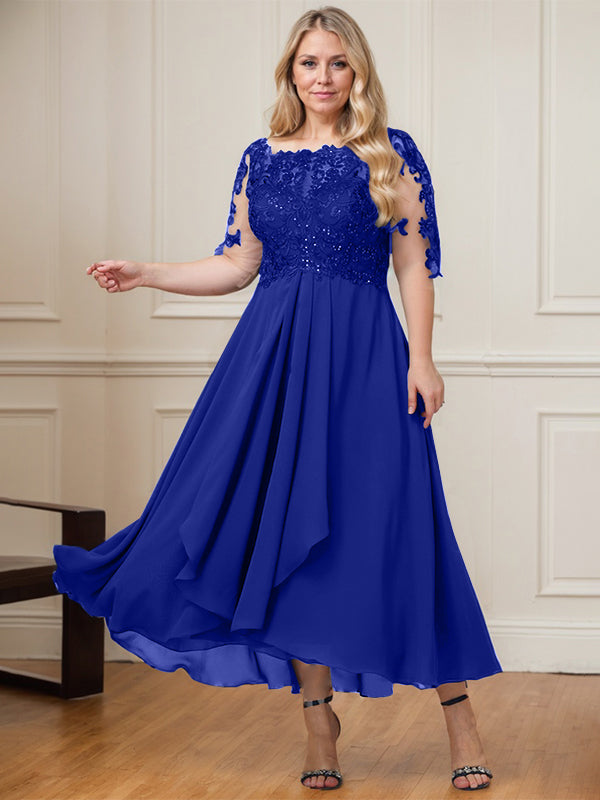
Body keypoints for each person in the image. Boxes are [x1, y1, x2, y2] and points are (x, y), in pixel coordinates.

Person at [52, 5, 502, 793]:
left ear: (358, 72)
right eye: (309, 63)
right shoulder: (260, 159)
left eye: (337, 63)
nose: (323, 77)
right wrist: (148, 273)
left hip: (365, 359)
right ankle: (319, 726)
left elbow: (412, 264)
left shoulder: (390, 153)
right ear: (290, 73)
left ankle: (459, 715)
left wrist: (423, 359)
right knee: (285, 537)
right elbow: (237, 264)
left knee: (400, 528)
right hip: (273, 363)